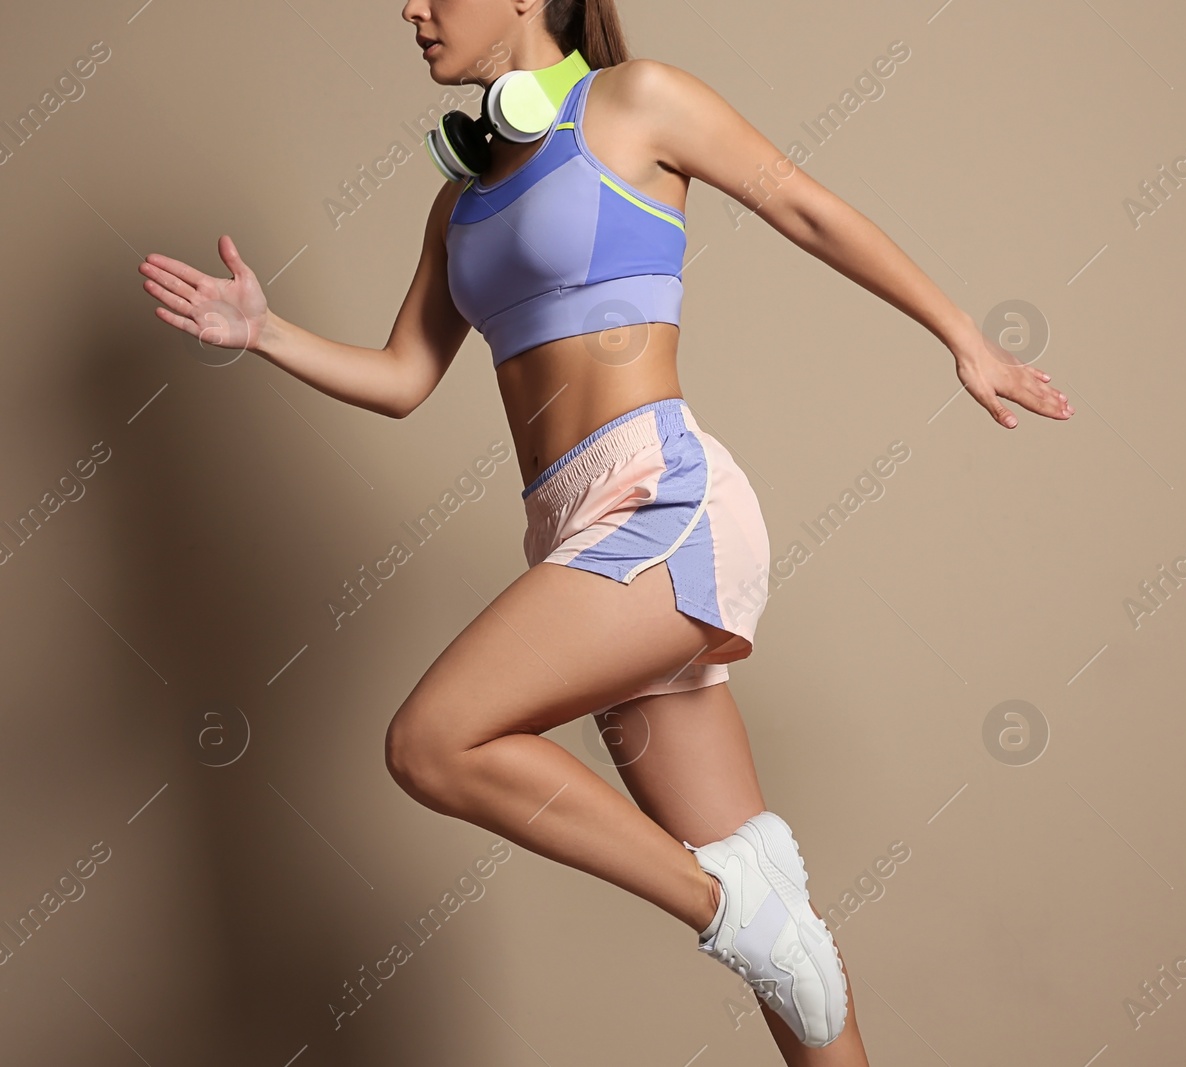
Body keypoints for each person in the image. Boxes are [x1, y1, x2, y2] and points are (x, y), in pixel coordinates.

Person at [140, 0, 1073, 1060]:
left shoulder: (635, 103)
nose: (411, 8)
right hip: (568, 531)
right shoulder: (461, 199)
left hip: (662, 505)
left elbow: (801, 207)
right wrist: (264, 333)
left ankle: (724, 904)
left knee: (431, 740)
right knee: (789, 959)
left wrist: (963, 337)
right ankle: (749, 906)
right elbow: (404, 378)